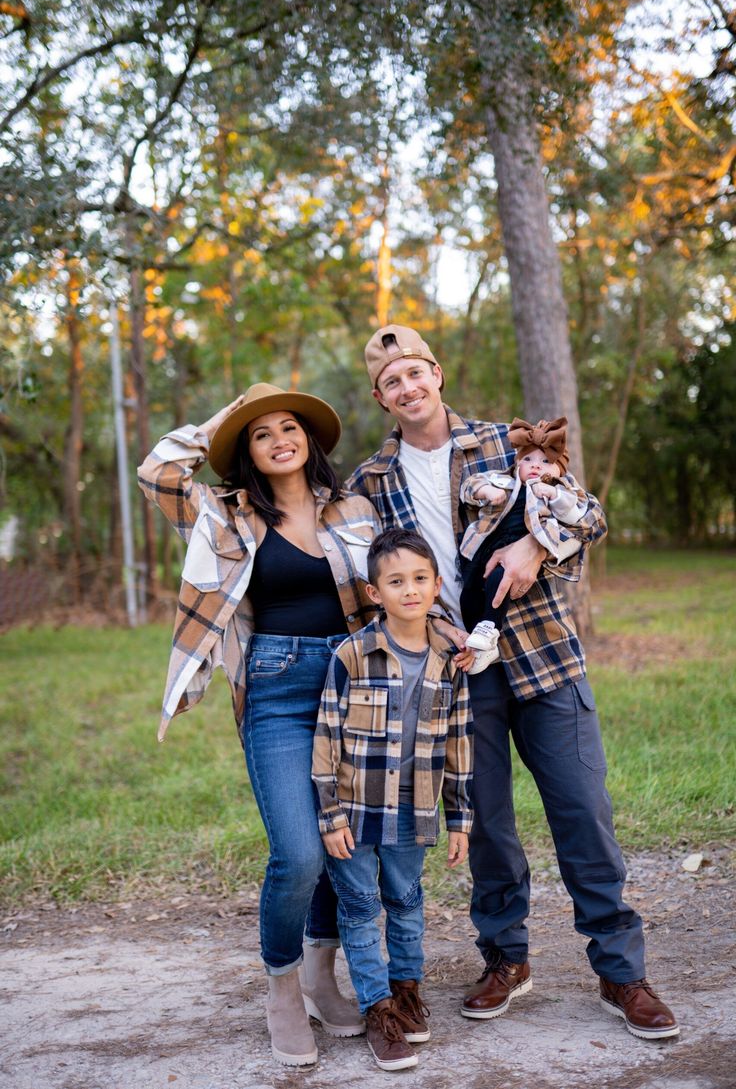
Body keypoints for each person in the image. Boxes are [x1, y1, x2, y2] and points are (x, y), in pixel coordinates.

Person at [346, 323, 679, 1041]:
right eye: (391, 381)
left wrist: (535, 543)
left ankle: (621, 970)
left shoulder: (506, 442)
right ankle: (506, 957)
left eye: (416, 372)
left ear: (436, 373)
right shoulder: (369, 483)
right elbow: (362, 575)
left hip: (544, 656)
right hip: (457, 672)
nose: (408, 388)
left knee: (583, 810)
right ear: (380, 396)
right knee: (488, 823)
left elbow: (588, 514)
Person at [138, 382, 382, 1067]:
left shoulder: (355, 508)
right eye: (261, 432)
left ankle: (319, 975)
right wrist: (225, 417)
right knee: (298, 852)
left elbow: (402, 575)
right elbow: (156, 469)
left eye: (289, 426)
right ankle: (280, 988)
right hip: (274, 687)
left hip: (351, 684)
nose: (279, 438)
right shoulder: (224, 514)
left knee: (342, 848)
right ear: (246, 451)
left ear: (309, 439)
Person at [312, 527, 473, 1071]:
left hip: (416, 807)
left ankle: (406, 994)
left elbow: (460, 742)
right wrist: (329, 814)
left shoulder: (452, 659)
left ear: (435, 585)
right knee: (359, 910)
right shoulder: (352, 655)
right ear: (374, 592)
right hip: (356, 810)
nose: (410, 590)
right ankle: (378, 1010)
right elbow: (326, 735)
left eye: (420, 579)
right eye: (396, 581)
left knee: (406, 903)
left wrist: (461, 818)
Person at [460, 415, 587, 658]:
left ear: (559, 469)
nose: (535, 466)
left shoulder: (559, 491)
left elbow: (578, 513)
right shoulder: (503, 481)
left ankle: (490, 629)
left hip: (518, 548)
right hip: (485, 545)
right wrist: (487, 491)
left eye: (545, 461)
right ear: (517, 463)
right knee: (470, 592)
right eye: (527, 459)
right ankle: (480, 647)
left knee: (500, 582)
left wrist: (552, 493)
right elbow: (470, 486)